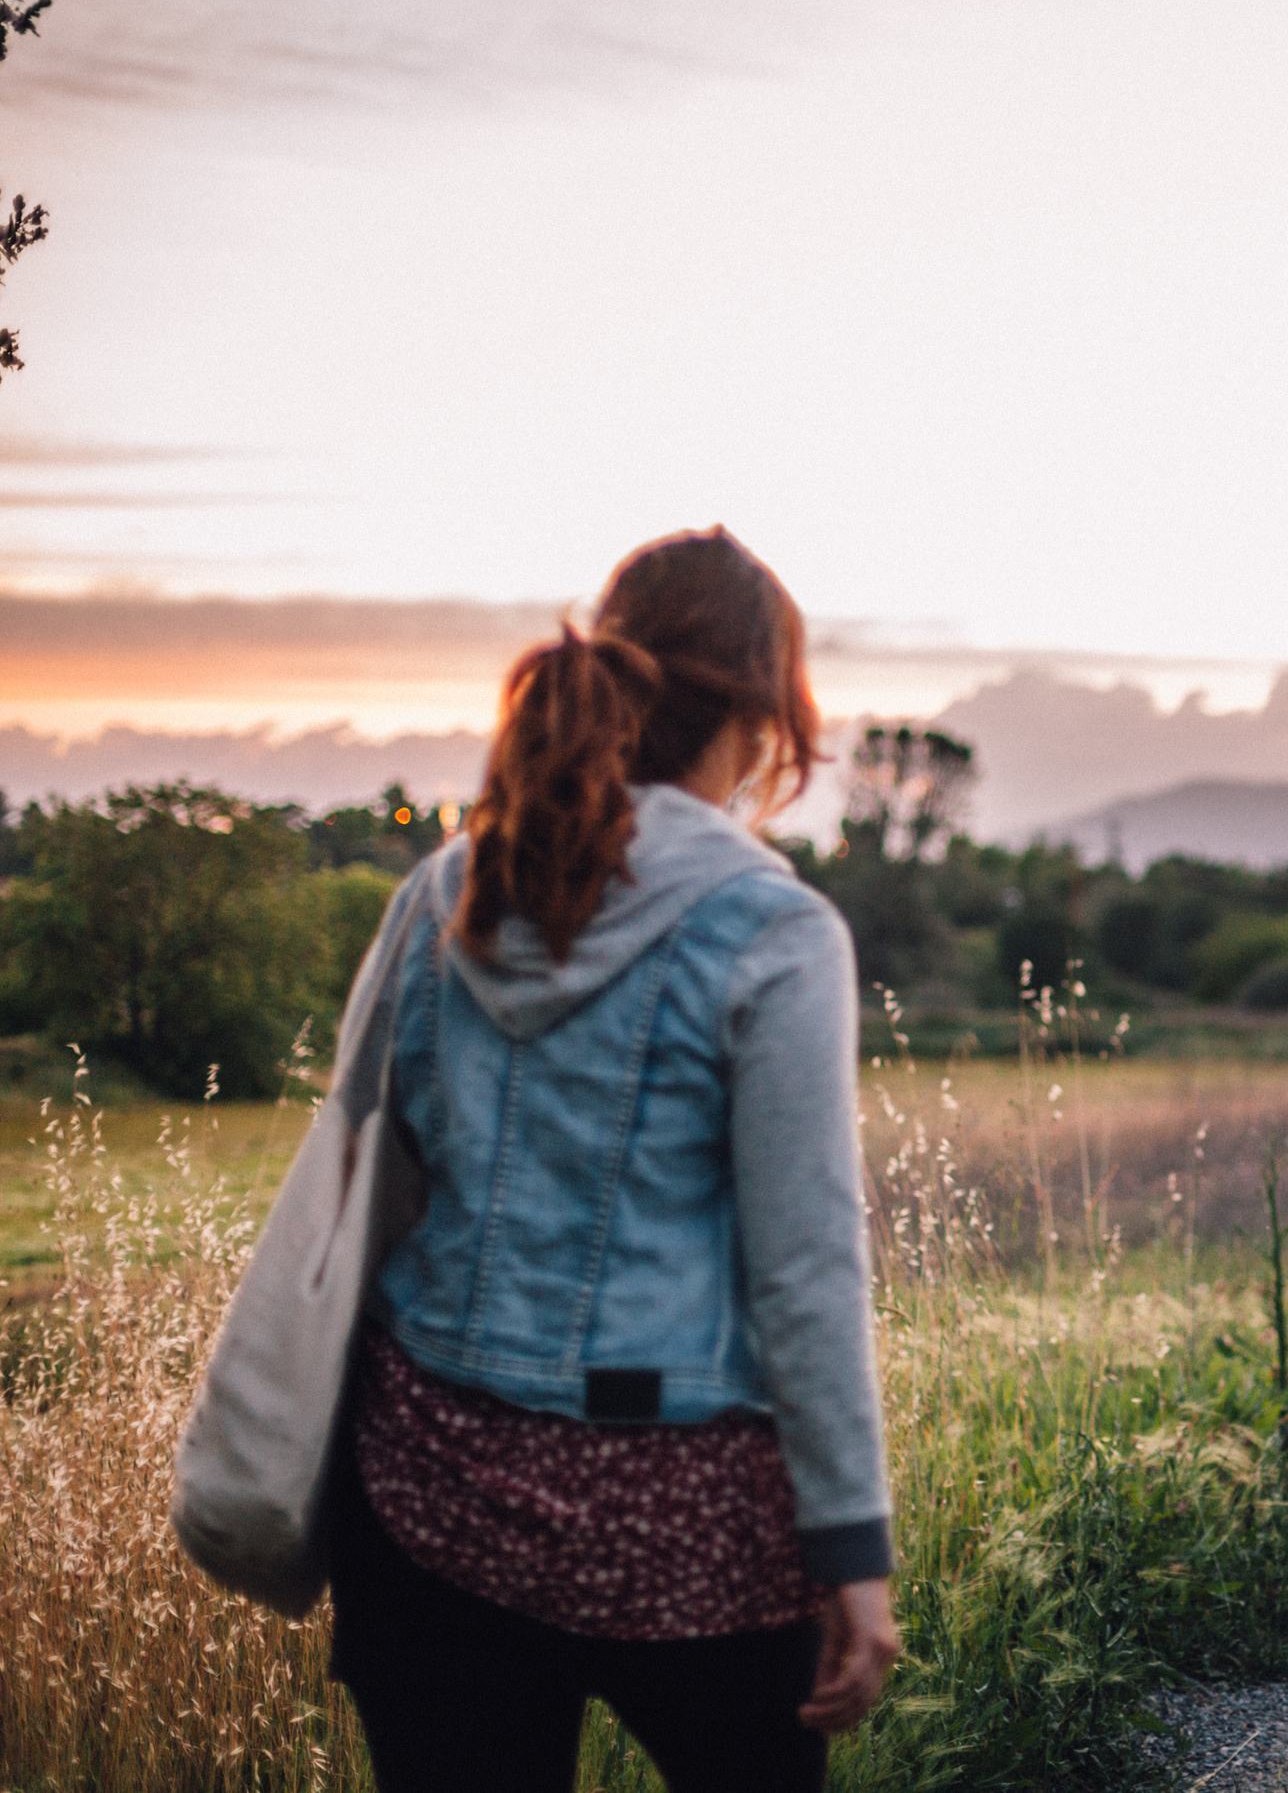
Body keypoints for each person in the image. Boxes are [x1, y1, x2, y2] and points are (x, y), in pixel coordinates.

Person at [325, 529, 902, 1791]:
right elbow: (806, 1270)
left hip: (429, 1501)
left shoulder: (441, 893)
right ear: (764, 712)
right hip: (691, 1530)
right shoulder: (775, 930)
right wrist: (852, 1551)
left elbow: (357, 1181)